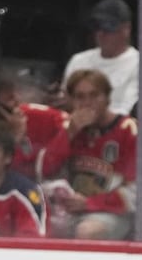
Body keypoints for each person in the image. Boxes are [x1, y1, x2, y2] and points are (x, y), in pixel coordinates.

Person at [37, 69, 136, 240]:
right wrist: (70, 132)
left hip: (113, 212)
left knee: (87, 232)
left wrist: (90, 203)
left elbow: (136, 192)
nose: (87, 103)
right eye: (80, 97)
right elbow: (44, 170)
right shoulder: (69, 126)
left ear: (107, 98)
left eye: (94, 95)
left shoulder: (129, 130)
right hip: (69, 209)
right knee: (36, 227)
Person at [0, 68, 67, 180]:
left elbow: (32, 171)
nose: (18, 102)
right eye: (10, 99)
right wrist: (15, 138)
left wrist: (20, 138)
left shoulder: (18, 125)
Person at [61, 0, 140, 116]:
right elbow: (67, 103)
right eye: (97, 26)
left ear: (126, 29)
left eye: (109, 27)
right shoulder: (78, 60)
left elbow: (126, 112)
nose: (101, 33)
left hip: (117, 131)